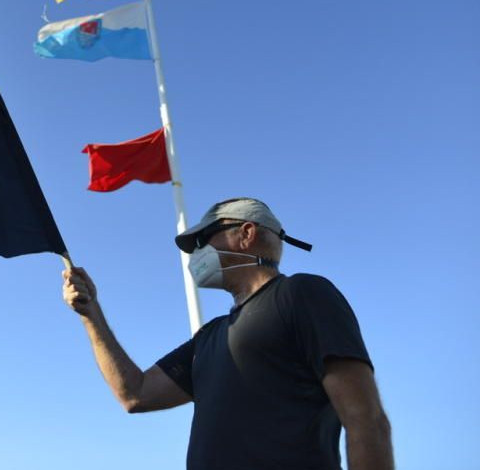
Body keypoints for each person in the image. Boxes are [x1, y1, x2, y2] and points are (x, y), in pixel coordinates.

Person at [63, 197, 393, 470]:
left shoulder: (303, 293)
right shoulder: (209, 336)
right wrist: (91, 315)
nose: (196, 255)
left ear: (246, 233)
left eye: (203, 241)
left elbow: (366, 419)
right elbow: (135, 394)